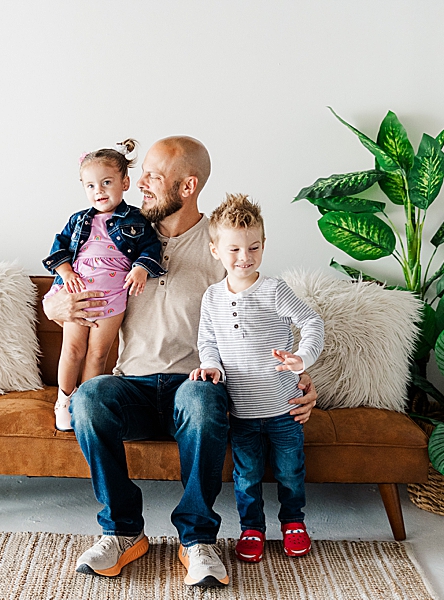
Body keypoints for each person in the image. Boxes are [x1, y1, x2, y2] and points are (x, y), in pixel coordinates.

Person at [42, 136, 317, 588]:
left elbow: (271, 320)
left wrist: (302, 378)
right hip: (130, 386)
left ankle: (197, 541)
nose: (141, 184)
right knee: (90, 398)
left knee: (204, 398)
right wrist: (57, 308)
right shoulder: (118, 235)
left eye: (152, 176)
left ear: (187, 186)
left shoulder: (223, 246)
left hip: (194, 386)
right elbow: (69, 282)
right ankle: (122, 531)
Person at [190, 193, 324, 564]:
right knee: (246, 477)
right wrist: (211, 365)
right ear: (216, 250)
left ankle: (294, 522)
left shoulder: (274, 290)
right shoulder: (212, 297)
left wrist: (301, 359)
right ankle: (252, 528)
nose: (244, 257)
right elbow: (208, 341)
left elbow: (312, 322)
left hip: (284, 411)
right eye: (234, 249)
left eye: (253, 247)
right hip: (242, 415)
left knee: (290, 472)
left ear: (264, 245)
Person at [41, 140, 165, 431]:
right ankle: (64, 398)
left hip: (113, 297)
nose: (99, 192)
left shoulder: (136, 220)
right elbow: (58, 247)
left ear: (125, 182)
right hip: (79, 291)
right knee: (72, 349)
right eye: (91, 186)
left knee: (98, 353)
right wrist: (66, 272)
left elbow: (150, 248)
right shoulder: (79, 220)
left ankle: (86, 403)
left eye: (107, 183)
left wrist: (140, 269)